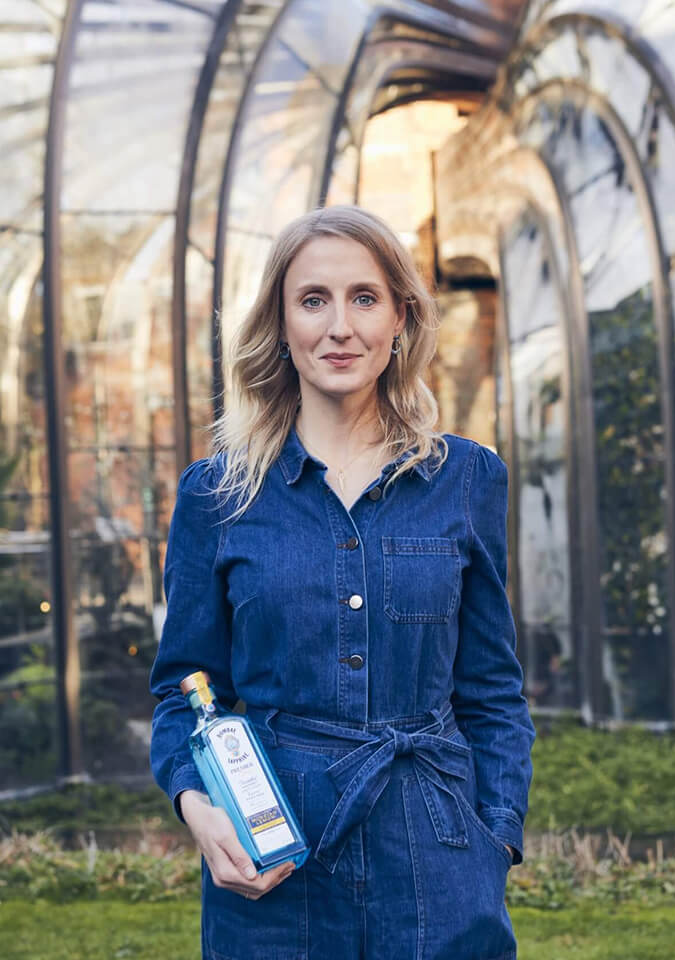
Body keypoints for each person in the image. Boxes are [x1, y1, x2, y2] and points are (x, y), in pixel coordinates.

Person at [149, 204, 535, 960]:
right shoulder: (218, 494)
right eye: (313, 300)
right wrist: (199, 807)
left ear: (399, 321)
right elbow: (183, 686)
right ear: (282, 325)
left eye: (364, 298)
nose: (340, 327)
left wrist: (495, 843)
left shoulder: (466, 479)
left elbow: (491, 693)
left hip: (439, 856)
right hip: (275, 861)